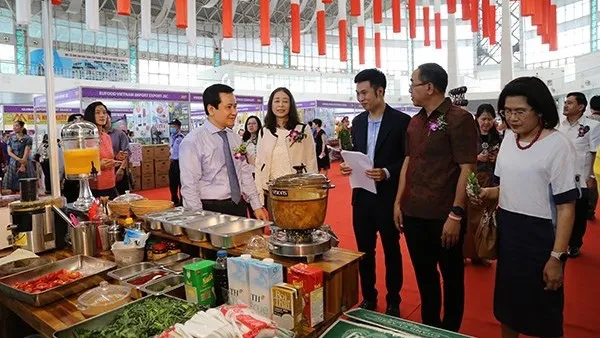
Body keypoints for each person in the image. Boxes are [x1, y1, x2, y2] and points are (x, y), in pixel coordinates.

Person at [478, 77, 577, 338]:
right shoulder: (509, 140)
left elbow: (566, 207)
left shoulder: (558, 146)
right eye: (507, 111)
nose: (512, 118)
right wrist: (486, 193)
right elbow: (506, 186)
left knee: (544, 312)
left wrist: (557, 257)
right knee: (508, 306)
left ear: (540, 110)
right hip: (509, 234)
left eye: (520, 111)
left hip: (541, 239)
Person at [394, 63, 477, 331]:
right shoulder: (414, 122)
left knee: (452, 277)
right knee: (424, 276)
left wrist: (456, 213)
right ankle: (430, 328)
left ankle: (451, 331)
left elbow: (468, 168)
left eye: (413, 84)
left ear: (429, 87)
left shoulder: (460, 119)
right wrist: (398, 201)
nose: (410, 89)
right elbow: (408, 162)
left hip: (444, 215)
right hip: (414, 212)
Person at [339, 68, 410, 317]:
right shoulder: (357, 122)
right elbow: (358, 153)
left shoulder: (401, 122)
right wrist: (349, 166)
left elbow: (409, 161)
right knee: (364, 251)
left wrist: (387, 172)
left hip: (389, 197)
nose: (360, 98)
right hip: (362, 196)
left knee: (392, 250)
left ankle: (394, 300)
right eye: (357, 93)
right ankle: (369, 297)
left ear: (380, 91)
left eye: (365, 92)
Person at [179, 84, 268, 220]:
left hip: (238, 206)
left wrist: (256, 206)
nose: (234, 112)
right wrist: (197, 221)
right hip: (210, 209)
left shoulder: (235, 138)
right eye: (228, 107)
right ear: (211, 109)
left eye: (235, 106)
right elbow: (189, 186)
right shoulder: (193, 141)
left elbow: (244, 174)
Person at [254, 87, 318, 208]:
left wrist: (312, 190)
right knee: (276, 225)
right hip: (273, 190)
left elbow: (311, 161)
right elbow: (259, 164)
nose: (281, 105)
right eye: (277, 101)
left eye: (285, 101)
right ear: (271, 104)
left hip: (298, 188)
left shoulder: (303, 129)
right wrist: (259, 194)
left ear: (291, 105)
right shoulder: (264, 131)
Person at [558, 92, 599, 258]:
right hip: (561, 176)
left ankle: (575, 244)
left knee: (579, 213)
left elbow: (595, 152)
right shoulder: (560, 125)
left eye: (570, 103)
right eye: (565, 102)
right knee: (562, 210)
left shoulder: (592, 126)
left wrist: (592, 177)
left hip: (581, 177)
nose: (566, 105)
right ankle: (561, 241)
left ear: (581, 107)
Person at [464, 104, 502, 265]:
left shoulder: (499, 137)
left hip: (492, 182)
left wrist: (497, 159)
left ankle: (482, 254)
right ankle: (466, 253)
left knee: (486, 219)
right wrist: (477, 158)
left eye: (489, 119)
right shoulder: (469, 136)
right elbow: (461, 157)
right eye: (483, 119)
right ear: (477, 119)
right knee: (470, 219)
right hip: (473, 179)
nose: (486, 122)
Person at [83, 102, 118, 199]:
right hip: (94, 187)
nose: (102, 115)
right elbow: (81, 165)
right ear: (91, 115)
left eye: (104, 112)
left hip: (111, 184)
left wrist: (116, 159)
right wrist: (99, 166)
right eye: (97, 113)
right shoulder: (86, 138)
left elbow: (107, 157)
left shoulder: (106, 137)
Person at [3, 121, 35, 193]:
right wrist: (18, 159)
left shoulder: (28, 138)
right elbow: (9, 152)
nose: (14, 127)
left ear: (22, 127)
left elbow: (27, 152)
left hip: (25, 162)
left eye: (16, 126)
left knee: (27, 186)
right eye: (13, 126)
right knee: (11, 185)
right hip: (13, 163)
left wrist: (22, 164)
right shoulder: (11, 138)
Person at [106, 110, 131, 195]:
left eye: (107, 117)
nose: (105, 119)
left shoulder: (120, 134)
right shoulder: (98, 136)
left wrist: (121, 169)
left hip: (118, 168)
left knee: (122, 196)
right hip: (105, 169)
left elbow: (126, 152)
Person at [168, 119, 185, 206]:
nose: (172, 128)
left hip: (180, 162)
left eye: (173, 126)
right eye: (171, 126)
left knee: (180, 183)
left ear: (178, 127)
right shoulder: (172, 137)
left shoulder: (181, 138)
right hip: (173, 162)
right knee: (172, 183)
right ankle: (174, 200)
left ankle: (182, 201)